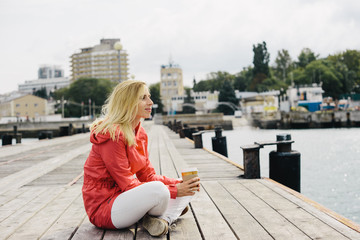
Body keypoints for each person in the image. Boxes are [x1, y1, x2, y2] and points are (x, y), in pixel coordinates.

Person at [82, 80, 200, 237]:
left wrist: (178, 185)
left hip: (126, 200)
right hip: (105, 208)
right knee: (161, 191)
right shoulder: (112, 134)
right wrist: (174, 191)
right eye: (143, 98)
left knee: (188, 185)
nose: (150, 102)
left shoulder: (140, 133)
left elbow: (148, 176)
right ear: (128, 102)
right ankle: (165, 215)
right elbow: (128, 184)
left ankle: (161, 221)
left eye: (149, 97)